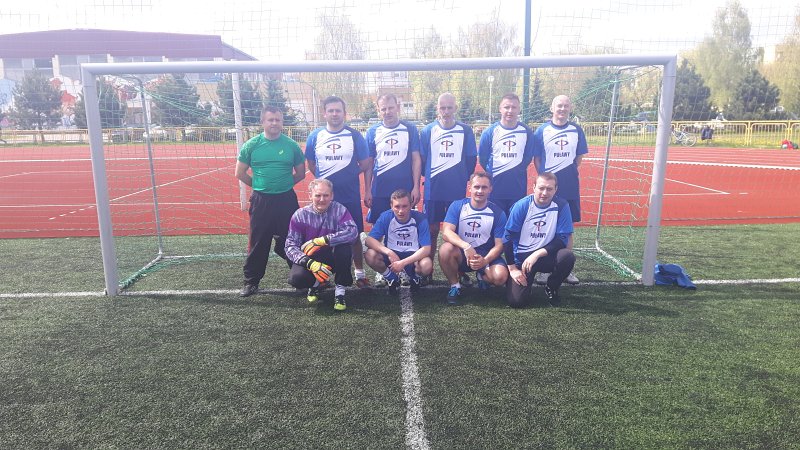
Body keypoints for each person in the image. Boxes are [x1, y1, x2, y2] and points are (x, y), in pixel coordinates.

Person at [236, 106, 306, 297]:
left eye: (278, 120)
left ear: (282, 122)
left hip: (286, 199)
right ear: (263, 122)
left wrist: (282, 185)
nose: (274, 123)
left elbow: (300, 173)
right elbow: (240, 173)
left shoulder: (291, 145)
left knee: (293, 239)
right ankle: (251, 281)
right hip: (261, 201)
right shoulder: (251, 145)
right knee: (258, 242)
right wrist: (260, 186)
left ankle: (302, 277)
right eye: (270, 120)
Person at [305, 95, 373, 288]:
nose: (334, 114)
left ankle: (359, 274)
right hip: (324, 198)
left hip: (349, 195)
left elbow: (366, 163)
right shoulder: (315, 136)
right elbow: (311, 163)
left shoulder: (354, 136)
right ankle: (322, 274)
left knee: (355, 235)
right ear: (324, 113)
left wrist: (350, 174)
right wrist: (324, 180)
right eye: (331, 110)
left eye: (338, 110)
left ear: (344, 113)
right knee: (322, 234)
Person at [365, 93, 422, 286]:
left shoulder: (410, 129)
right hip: (380, 189)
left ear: (398, 107)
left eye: (390, 107)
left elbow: (416, 158)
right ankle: (382, 270)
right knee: (378, 229)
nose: (387, 112)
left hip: (404, 189)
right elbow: (369, 163)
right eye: (383, 109)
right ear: (378, 110)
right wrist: (367, 189)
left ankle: (407, 266)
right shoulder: (372, 131)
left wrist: (416, 186)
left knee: (405, 227)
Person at [419, 93, 477, 282]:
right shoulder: (427, 131)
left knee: (457, 230)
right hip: (433, 190)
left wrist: (460, 177)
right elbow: (423, 158)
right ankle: (427, 270)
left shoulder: (465, 131)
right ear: (438, 108)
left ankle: (459, 270)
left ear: (455, 108)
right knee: (432, 229)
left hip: (456, 189)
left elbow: (471, 159)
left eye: (449, 107)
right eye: (442, 107)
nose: (446, 111)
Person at [532, 95, 587, 285]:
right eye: (559, 106)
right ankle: (544, 269)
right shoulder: (542, 130)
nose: (562, 109)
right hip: (548, 188)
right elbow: (537, 159)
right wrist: (546, 179)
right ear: (552, 108)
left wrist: (566, 173)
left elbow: (578, 158)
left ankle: (565, 269)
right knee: (546, 227)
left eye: (565, 106)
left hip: (570, 186)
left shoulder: (576, 130)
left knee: (567, 228)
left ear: (570, 108)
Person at [285, 178, 358, 311]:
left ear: (332, 195)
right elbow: (290, 246)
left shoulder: (339, 210)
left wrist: (323, 240)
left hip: (332, 255)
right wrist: (309, 263)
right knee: (297, 279)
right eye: (318, 195)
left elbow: (352, 232)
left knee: (344, 249)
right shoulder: (300, 215)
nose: (322, 199)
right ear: (310, 196)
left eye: (326, 195)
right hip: (312, 258)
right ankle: (315, 284)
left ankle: (340, 291)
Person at [504, 172, 576, 308]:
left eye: (549, 189)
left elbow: (562, 240)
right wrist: (512, 268)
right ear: (534, 187)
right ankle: (526, 285)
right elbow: (507, 238)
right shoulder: (522, 206)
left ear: (556, 189)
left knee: (567, 256)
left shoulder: (561, 206)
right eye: (541, 188)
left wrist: (536, 254)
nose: (544, 193)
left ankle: (552, 287)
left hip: (546, 255)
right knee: (517, 302)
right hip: (523, 259)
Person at [438, 172, 508, 306]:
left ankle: (482, 275)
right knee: (445, 250)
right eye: (476, 187)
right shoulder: (457, 206)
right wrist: (466, 246)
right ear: (470, 187)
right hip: (462, 254)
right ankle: (455, 285)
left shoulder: (498, 213)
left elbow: (499, 245)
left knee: (500, 277)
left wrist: (485, 260)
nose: (480, 191)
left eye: (484, 187)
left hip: (486, 256)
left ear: (490, 189)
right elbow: (446, 232)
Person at [364, 189, 433, 294]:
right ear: (391, 206)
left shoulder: (420, 218)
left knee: (427, 264)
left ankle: (415, 278)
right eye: (397, 206)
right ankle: (391, 278)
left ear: (411, 205)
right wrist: (389, 252)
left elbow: (426, 249)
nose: (401, 211)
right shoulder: (386, 216)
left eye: (404, 206)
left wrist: (403, 263)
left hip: (413, 259)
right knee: (370, 254)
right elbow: (369, 240)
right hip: (391, 258)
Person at [478, 93, 535, 217]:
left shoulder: (526, 132)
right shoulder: (489, 132)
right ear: (500, 109)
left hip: (518, 187)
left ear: (519, 109)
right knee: (495, 222)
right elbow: (483, 159)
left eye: (514, 107)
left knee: (515, 222)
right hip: (495, 188)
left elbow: (527, 158)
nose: (510, 111)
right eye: (506, 107)